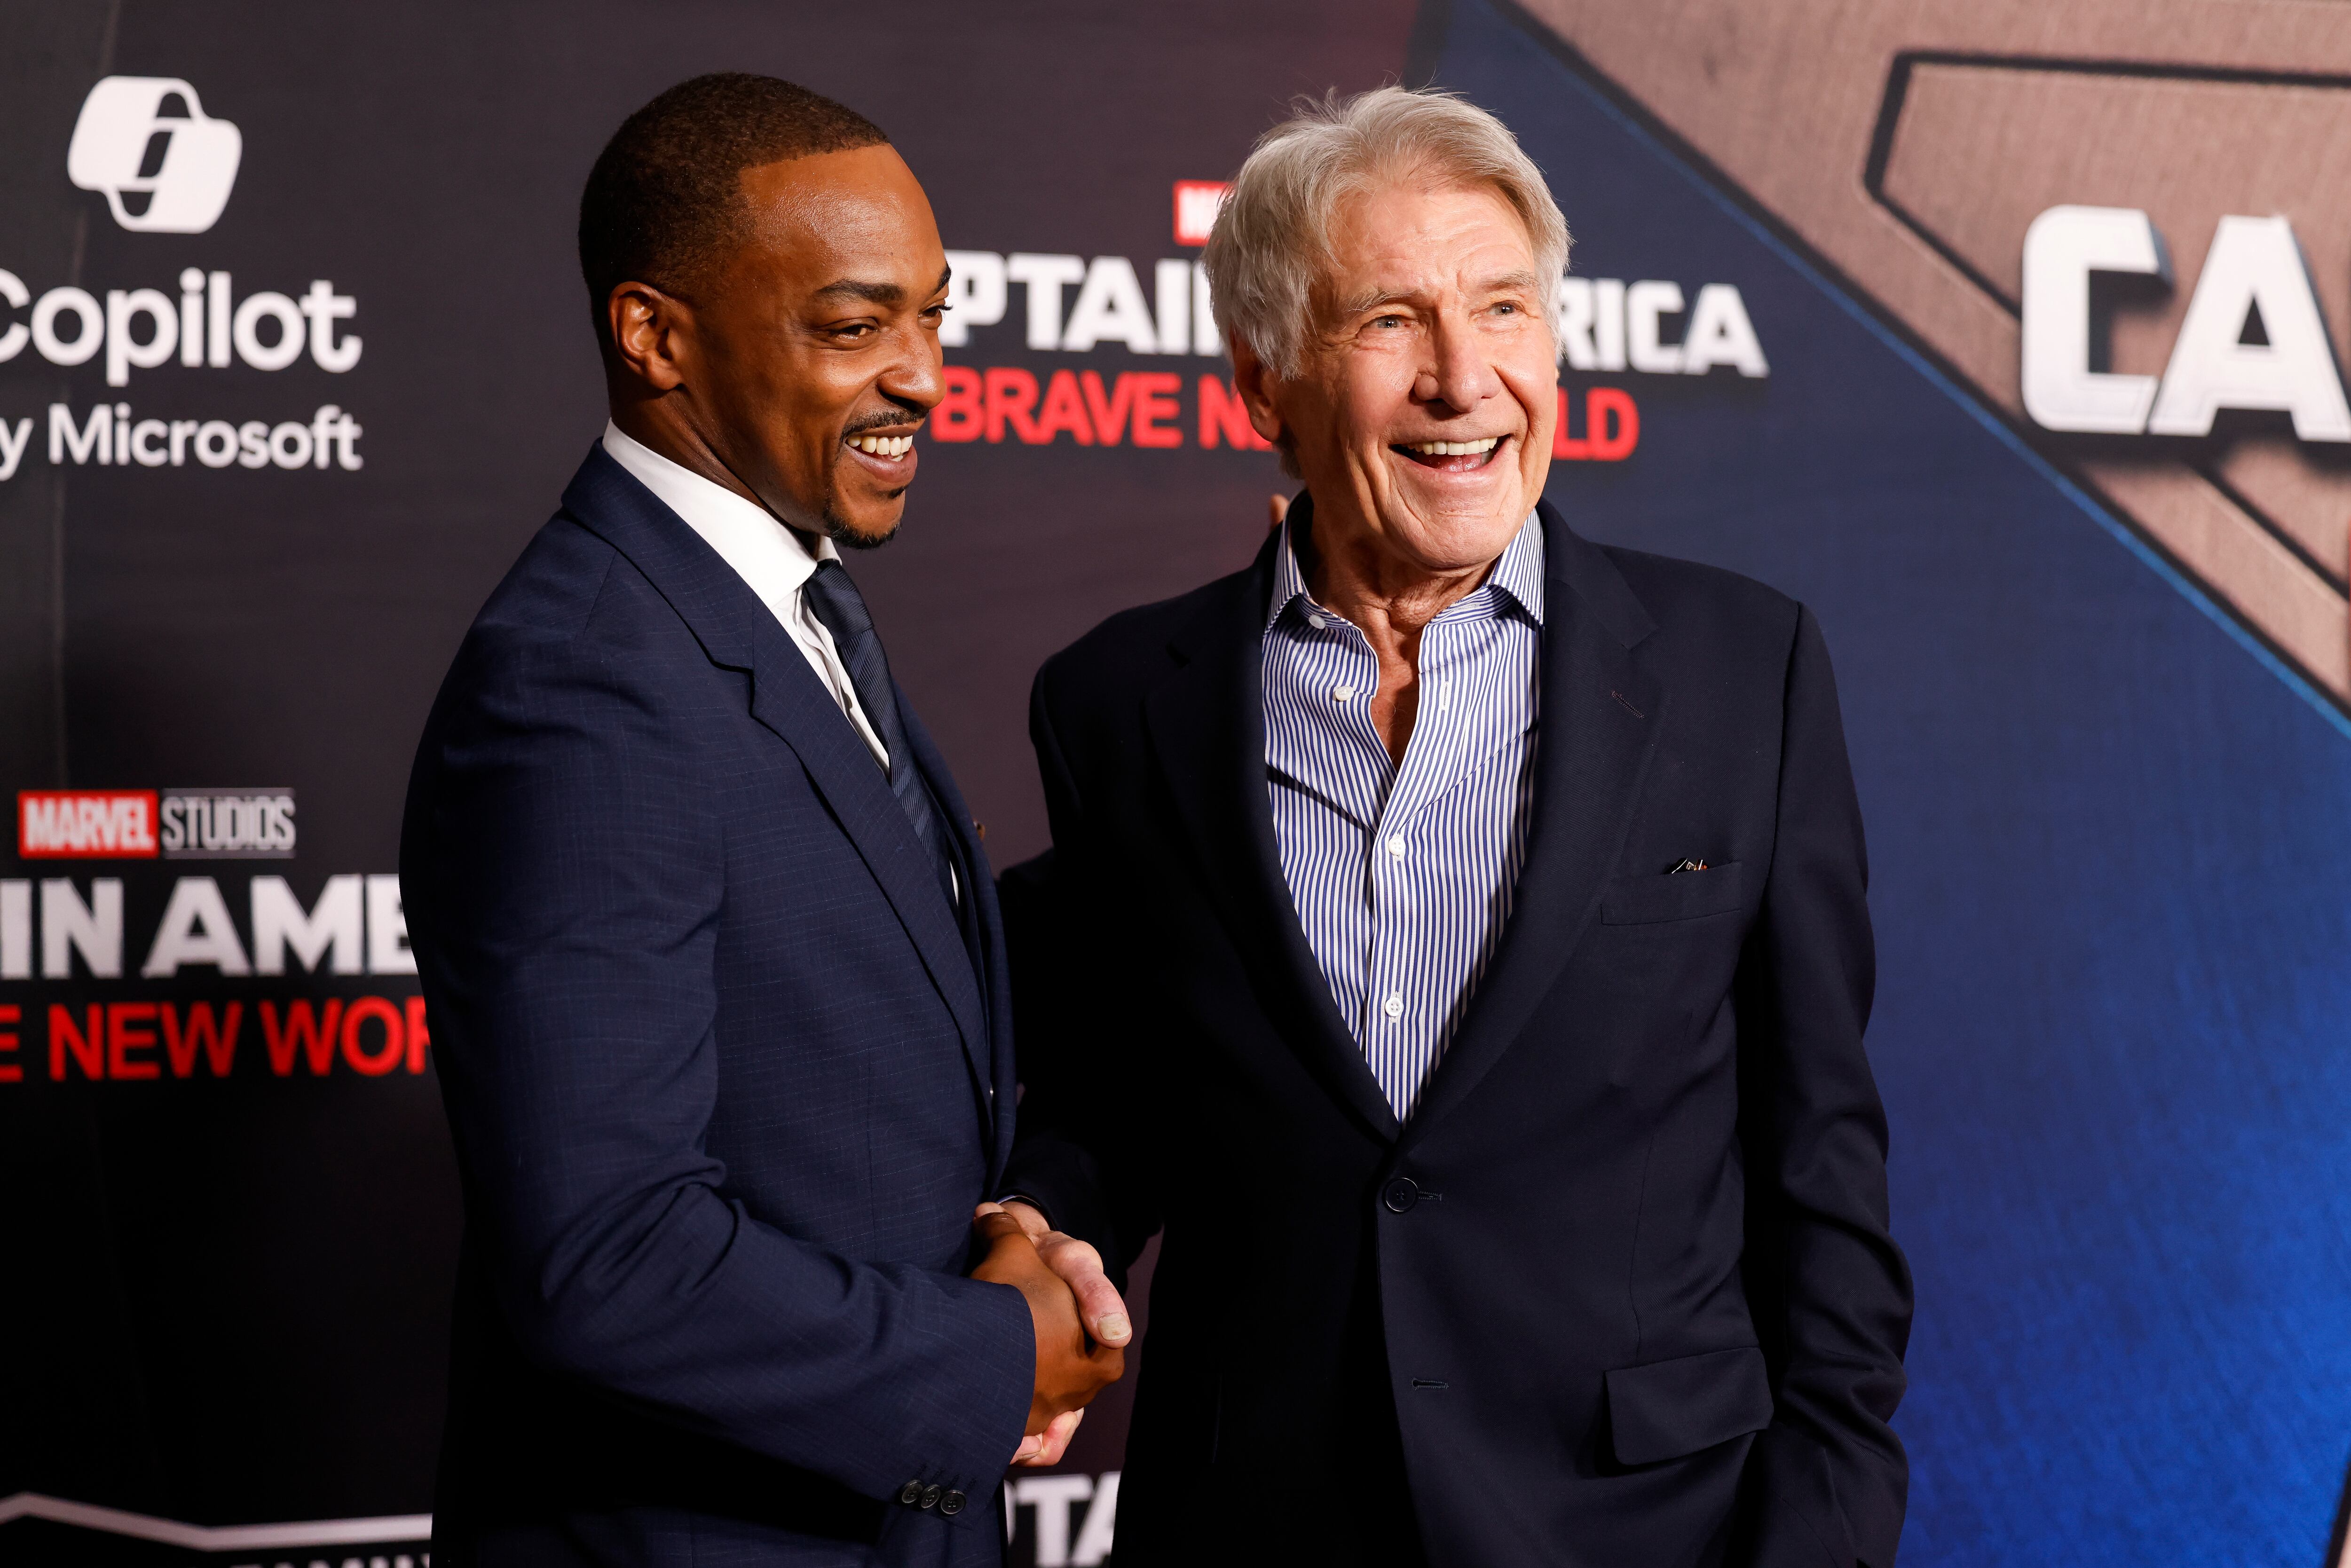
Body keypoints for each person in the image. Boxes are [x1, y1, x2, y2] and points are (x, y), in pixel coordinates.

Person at [999, 87, 1912, 1567]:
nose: (1463, 378)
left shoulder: (1748, 674)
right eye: (1390, 322)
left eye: (1503, 309)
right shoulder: (1116, 703)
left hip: (1649, 1525)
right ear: (1264, 383)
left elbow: (1822, 1158)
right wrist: (1037, 1227)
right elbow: (1126, 1099)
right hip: (1260, 1524)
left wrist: (1826, 1530)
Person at [401, 74, 1125, 1568]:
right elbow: (609, 1258)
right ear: (656, 336)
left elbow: (855, 1035)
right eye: (855, 329)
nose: (925, 377)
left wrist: (1008, 1228)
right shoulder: (584, 682)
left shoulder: (777, 598)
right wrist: (991, 1359)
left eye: (934, 316)